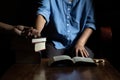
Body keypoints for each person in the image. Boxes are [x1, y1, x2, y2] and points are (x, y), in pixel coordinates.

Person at [30, 0, 96, 58]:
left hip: (77, 42)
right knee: (50, 59)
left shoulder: (87, 1)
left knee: (86, 59)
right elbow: (43, 13)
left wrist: (80, 43)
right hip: (55, 43)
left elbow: (90, 24)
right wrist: (37, 31)